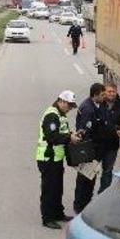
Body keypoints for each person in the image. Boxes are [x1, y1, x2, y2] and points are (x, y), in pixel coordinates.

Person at [36, 90, 81, 229]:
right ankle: (47, 218)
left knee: (57, 188)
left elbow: (61, 134)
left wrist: (71, 134)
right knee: (49, 189)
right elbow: (52, 137)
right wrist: (69, 138)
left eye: (72, 106)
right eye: (69, 105)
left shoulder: (60, 115)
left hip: (56, 158)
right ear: (61, 101)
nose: (70, 109)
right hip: (48, 158)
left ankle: (57, 213)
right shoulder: (51, 115)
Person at [73, 83, 105, 213]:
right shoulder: (88, 109)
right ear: (95, 95)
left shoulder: (95, 105)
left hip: (93, 149)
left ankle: (85, 203)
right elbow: (84, 132)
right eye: (102, 95)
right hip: (88, 151)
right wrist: (88, 153)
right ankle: (80, 206)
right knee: (84, 179)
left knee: (90, 178)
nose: (104, 97)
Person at [97, 82, 120, 193]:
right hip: (97, 144)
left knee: (108, 171)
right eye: (109, 91)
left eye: (113, 91)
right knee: (90, 171)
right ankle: (85, 198)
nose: (111, 94)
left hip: (112, 145)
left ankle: (104, 193)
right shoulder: (99, 103)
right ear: (104, 92)